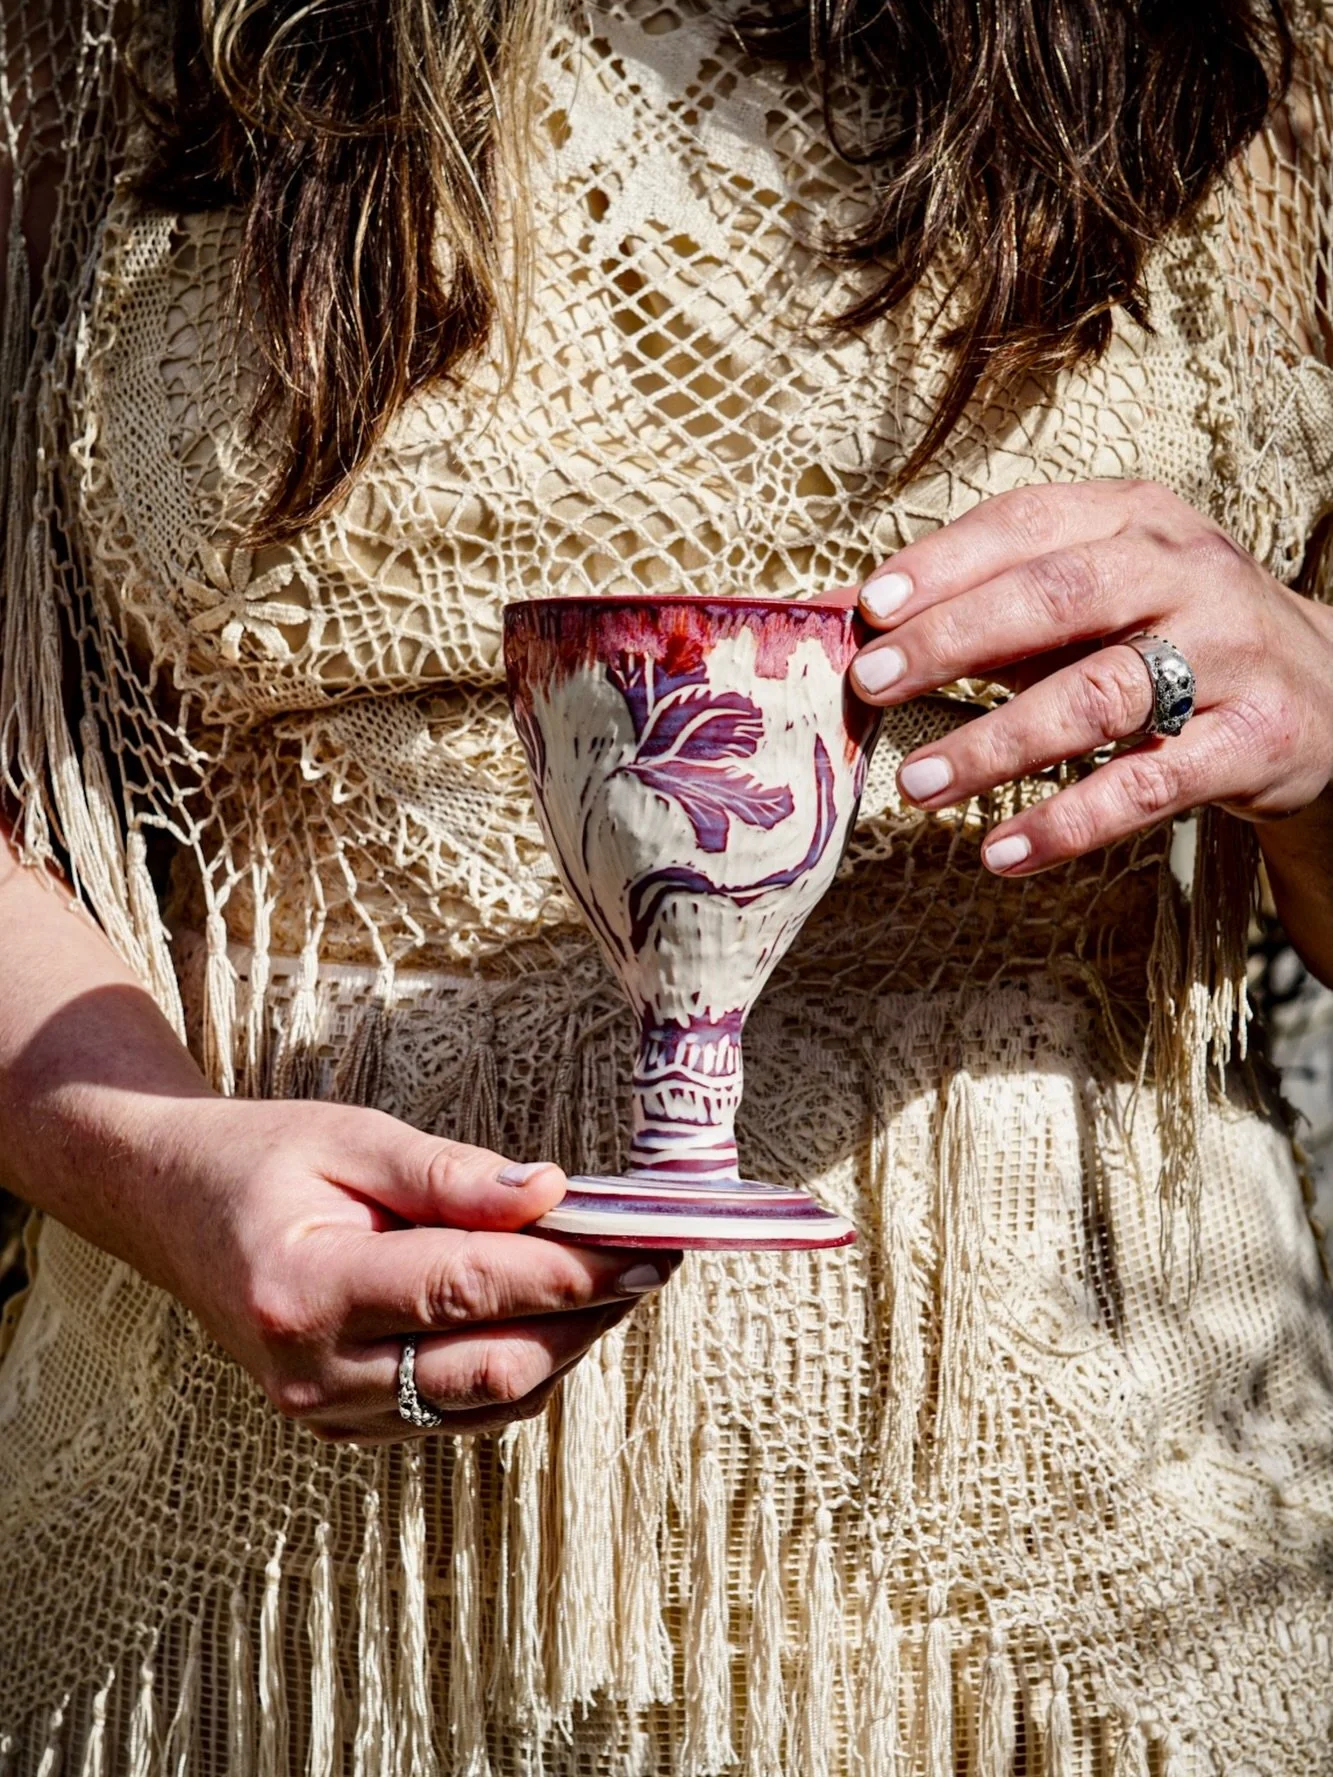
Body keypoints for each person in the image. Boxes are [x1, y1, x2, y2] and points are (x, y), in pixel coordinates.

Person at [1, 0, 1331, 1769]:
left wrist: (1319, 717)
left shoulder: (1276, 65)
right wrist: (138, 1160)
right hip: (281, 1592)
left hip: (1076, 1586)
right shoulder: (84, 45)